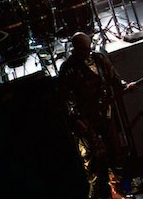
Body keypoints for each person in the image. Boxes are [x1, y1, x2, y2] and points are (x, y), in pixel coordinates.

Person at [58, 32, 138, 199]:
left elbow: (114, 78)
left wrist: (125, 85)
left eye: (88, 48)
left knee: (116, 151)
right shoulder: (69, 68)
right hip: (87, 118)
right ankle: (101, 194)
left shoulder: (99, 59)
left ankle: (123, 188)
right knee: (95, 159)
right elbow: (65, 98)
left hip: (105, 113)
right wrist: (76, 119)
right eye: (83, 49)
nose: (87, 52)